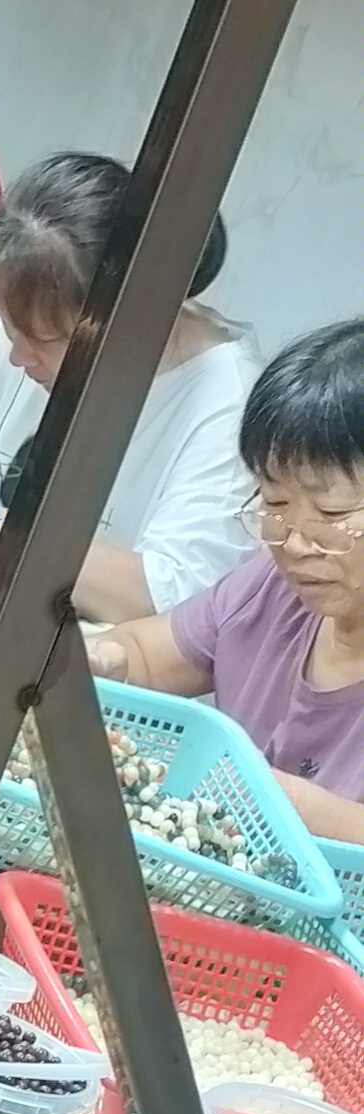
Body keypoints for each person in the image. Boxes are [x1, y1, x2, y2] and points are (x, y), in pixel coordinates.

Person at [0, 154, 254, 623]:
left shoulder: (229, 408)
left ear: (131, 323)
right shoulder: (26, 316)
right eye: (8, 327)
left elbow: (171, 595)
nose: (16, 356)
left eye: (42, 340)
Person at [84, 324, 364, 844]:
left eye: (330, 513)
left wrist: (273, 797)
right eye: (275, 504)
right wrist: (104, 660)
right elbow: (144, 654)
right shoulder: (272, 588)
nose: (294, 543)